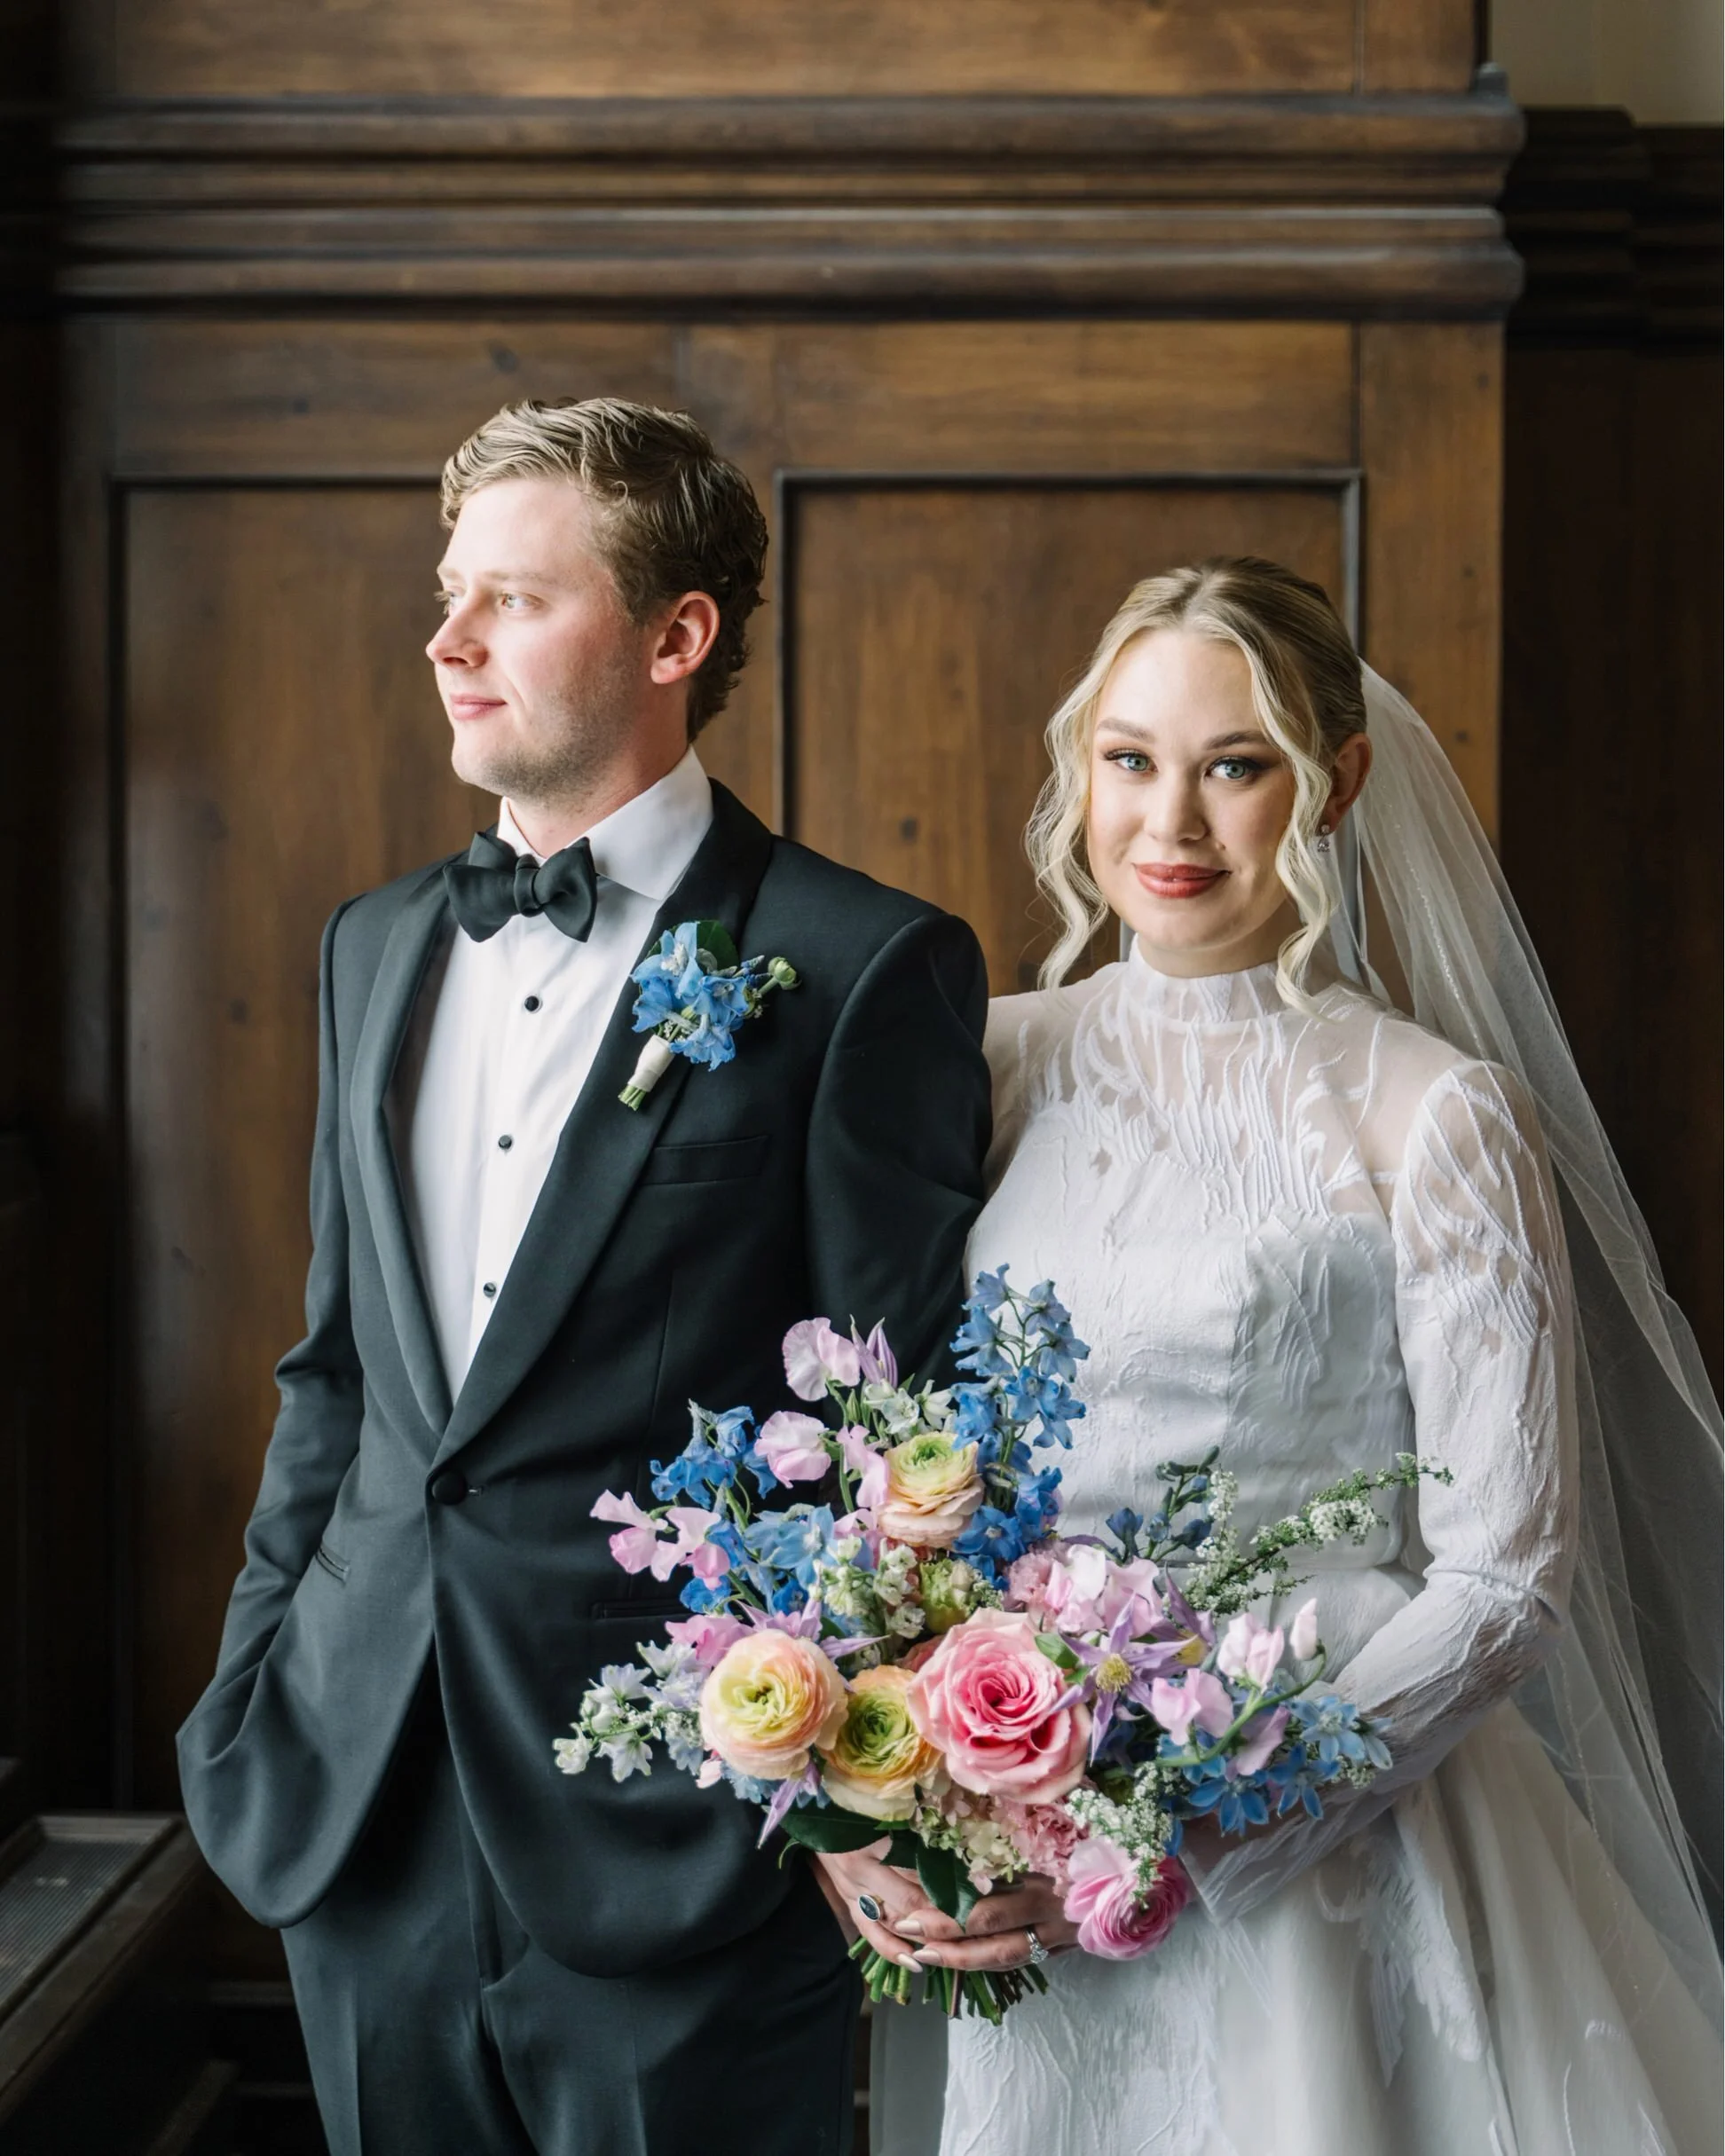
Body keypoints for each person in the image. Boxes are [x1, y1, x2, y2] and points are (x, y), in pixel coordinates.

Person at [176, 397, 993, 2156]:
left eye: (514, 601)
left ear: (672, 636)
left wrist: (831, 1774)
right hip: (356, 1802)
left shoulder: (859, 968)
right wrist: (249, 1693)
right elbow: (336, 1377)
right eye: (450, 593)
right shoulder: (374, 944)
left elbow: (900, 1437)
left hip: (680, 1830)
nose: (447, 640)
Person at [848, 558, 1722, 2154]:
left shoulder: (1430, 1114)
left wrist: (1177, 1831)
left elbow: (1506, 1572)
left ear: (1337, 781)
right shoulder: (988, 1067)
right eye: (1131, 760)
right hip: (1021, 1801)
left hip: (1329, 1820)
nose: (1169, 823)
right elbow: (893, 1447)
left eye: (1233, 765)